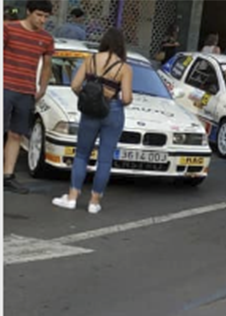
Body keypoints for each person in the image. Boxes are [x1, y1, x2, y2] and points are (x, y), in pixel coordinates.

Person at [51, 28, 132, 214]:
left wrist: (88, 97)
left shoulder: (91, 60)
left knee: (81, 154)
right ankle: (94, 202)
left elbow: (75, 85)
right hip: (112, 111)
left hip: (90, 112)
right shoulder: (124, 68)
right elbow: (126, 98)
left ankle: (72, 197)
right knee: (105, 158)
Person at [3, 0, 54, 194]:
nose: (42, 20)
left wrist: (42, 87)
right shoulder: (9, 29)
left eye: (46, 17)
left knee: (16, 133)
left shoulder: (47, 39)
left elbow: (47, 65)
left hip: (26, 91)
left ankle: (7, 176)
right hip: (5, 87)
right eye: (39, 15)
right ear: (29, 12)